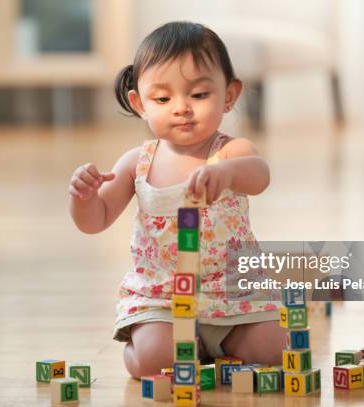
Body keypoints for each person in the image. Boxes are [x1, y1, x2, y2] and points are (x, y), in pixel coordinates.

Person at [69, 21, 284, 379]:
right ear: (139, 103)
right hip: (163, 299)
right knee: (155, 360)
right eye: (163, 99)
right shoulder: (136, 162)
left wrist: (228, 174)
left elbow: (260, 176)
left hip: (231, 294)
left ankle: (215, 349)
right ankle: (160, 351)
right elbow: (96, 220)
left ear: (229, 95)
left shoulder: (231, 151)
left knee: (278, 349)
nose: (182, 108)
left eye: (199, 95)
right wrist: (83, 197)